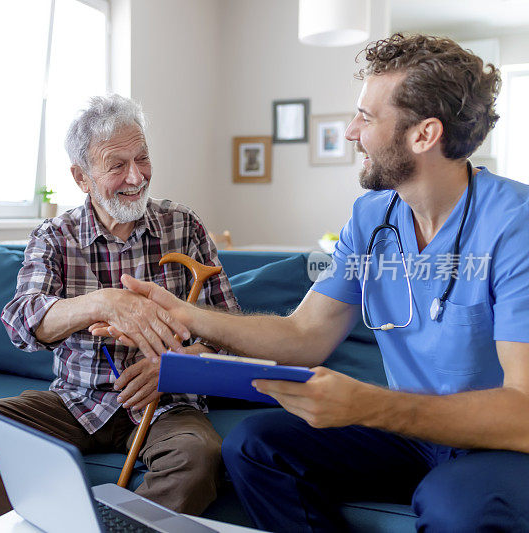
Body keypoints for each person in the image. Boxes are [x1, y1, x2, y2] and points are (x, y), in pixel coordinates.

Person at [101, 34, 529, 531]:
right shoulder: (374, 217)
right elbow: (306, 336)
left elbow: (522, 412)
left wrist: (372, 404)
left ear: (424, 134)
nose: (350, 131)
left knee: (454, 502)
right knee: (258, 446)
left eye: (366, 118)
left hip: (500, 442)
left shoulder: (514, 225)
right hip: (411, 431)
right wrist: (185, 314)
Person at [0, 94, 239, 531]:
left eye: (142, 159)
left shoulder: (183, 224)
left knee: (199, 457)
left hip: (168, 406)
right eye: (116, 165)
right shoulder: (55, 235)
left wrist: (179, 367)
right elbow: (23, 321)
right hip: (77, 401)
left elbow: (232, 332)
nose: (136, 177)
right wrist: (102, 302)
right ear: (81, 177)